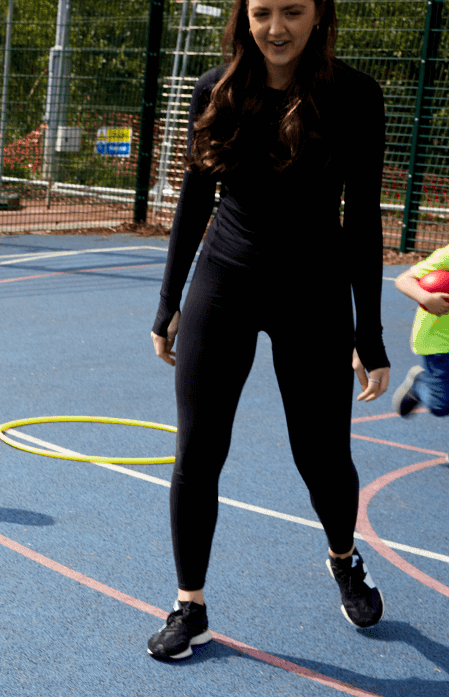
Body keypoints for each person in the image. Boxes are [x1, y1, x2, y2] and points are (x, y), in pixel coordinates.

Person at [147, 0, 389, 660]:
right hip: (225, 283)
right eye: (262, 12)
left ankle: (343, 556)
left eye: (292, 11)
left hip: (312, 293)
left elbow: (362, 221)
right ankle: (189, 604)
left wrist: (369, 334)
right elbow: (195, 199)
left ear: (319, 16)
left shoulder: (356, 98)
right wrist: (168, 302)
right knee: (198, 452)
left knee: (321, 457)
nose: (276, 27)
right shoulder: (217, 90)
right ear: (243, 18)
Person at [391, 247, 449, 418]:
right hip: (440, 342)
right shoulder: (446, 256)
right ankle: (420, 383)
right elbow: (403, 280)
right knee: (440, 406)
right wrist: (426, 299)